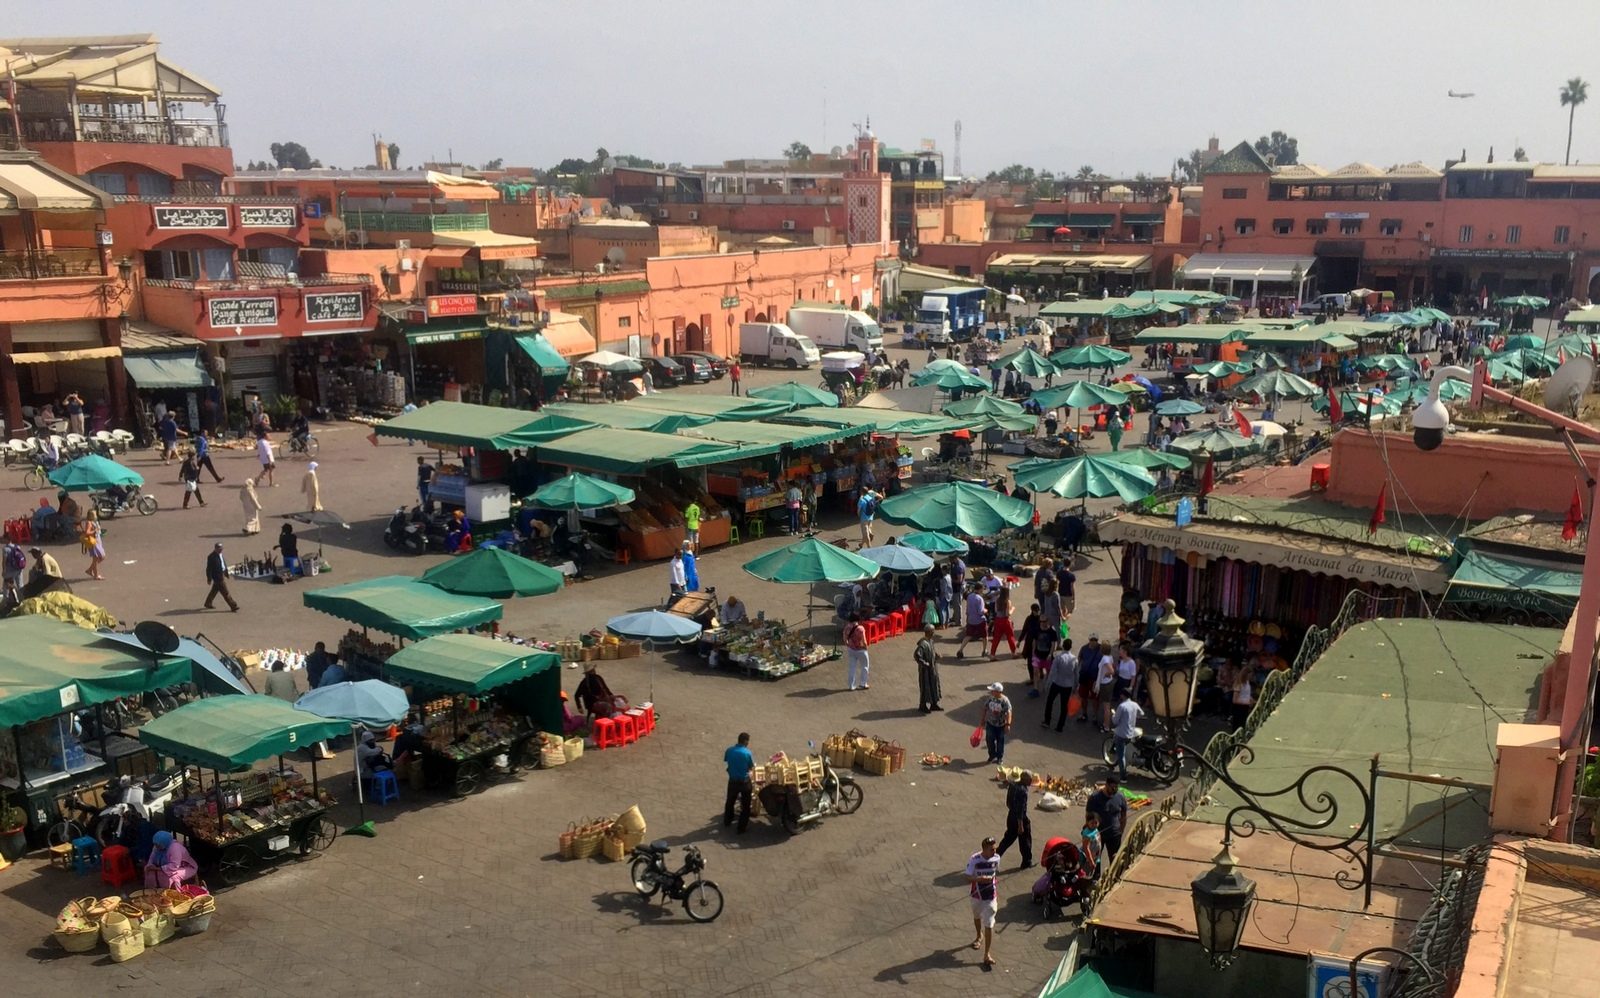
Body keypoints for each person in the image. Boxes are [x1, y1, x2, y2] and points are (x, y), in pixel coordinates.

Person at [965, 836, 1001, 969]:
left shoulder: (997, 858)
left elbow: (995, 873)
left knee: (989, 923)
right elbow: (967, 877)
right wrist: (980, 879)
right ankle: (978, 935)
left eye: (995, 848)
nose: (994, 851)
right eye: (992, 849)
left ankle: (987, 954)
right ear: (984, 850)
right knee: (976, 916)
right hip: (976, 895)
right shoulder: (974, 859)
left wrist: (991, 880)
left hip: (991, 896)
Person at [996, 771, 1034, 869]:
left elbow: (1008, 802)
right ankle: (1027, 861)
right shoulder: (1023, 791)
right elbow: (1021, 809)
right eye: (1030, 779)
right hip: (1020, 819)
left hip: (1011, 815)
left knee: (1008, 838)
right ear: (1025, 780)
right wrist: (1020, 825)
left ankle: (996, 855)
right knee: (1025, 840)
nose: (1031, 781)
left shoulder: (1013, 785)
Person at [1085, 777, 1128, 859]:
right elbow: (1088, 816)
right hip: (1097, 835)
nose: (1115, 790)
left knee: (1115, 860)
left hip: (1114, 835)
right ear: (1106, 785)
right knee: (1095, 859)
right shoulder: (1095, 798)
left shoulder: (1120, 796)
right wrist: (1089, 833)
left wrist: (1121, 831)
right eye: (1112, 787)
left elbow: (1124, 814)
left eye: (1116, 787)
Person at [1041, 639, 1077, 731]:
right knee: (1064, 706)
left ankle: (1047, 721)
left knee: (1050, 701)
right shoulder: (1074, 659)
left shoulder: (1058, 657)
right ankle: (1060, 726)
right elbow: (1076, 674)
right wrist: (1075, 686)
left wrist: (1047, 683)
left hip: (1057, 683)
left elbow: (1052, 672)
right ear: (1070, 647)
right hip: (1068, 685)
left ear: (1063, 646)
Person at [722, 732, 754, 833]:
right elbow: (750, 766)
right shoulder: (747, 753)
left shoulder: (729, 750)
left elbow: (727, 760)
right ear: (745, 741)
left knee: (730, 801)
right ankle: (741, 828)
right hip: (744, 782)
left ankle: (727, 820)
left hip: (732, 781)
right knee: (746, 805)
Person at [1110, 689, 1144, 782]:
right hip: (1131, 733)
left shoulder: (1122, 706)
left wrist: (1113, 715)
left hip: (1121, 734)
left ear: (1122, 695)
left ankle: (1123, 777)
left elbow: (1115, 721)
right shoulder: (1135, 704)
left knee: (1121, 756)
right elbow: (1142, 713)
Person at [981, 682, 1013, 764]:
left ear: (998, 692)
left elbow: (1009, 712)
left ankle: (999, 757)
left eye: (993, 690)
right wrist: (983, 719)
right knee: (989, 740)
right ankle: (992, 755)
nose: (991, 692)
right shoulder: (991, 699)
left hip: (1001, 725)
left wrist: (1008, 724)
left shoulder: (1005, 701)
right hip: (990, 724)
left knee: (1000, 742)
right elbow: (985, 708)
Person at [914, 623, 942, 712]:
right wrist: (924, 663)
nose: (934, 633)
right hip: (925, 671)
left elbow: (932, 650)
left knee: (934, 685)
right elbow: (917, 655)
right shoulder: (923, 644)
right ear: (928, 632)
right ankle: (922, 706)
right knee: (925, 687)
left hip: (932, 668)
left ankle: (934, 704)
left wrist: (936, 655)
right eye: (932, 631)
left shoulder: (931, 641)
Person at [204, 542, 238, 611]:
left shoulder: (220, 554)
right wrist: (209, 579)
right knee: (225, 592)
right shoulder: (211, 557)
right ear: (215, 548)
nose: (221, 550)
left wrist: (226, 572)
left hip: (221, 574)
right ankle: (233, 605)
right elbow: (209, 569)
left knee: (214, 590)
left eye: (221, 548)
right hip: (217, 577)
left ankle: (208, 603)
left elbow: (222, 563)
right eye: (219, 549)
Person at [955, 585, 987, 659]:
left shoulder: (969, 596)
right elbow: (981, 612)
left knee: (968, 635)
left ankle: (960, 650)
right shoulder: (980, 599)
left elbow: (968, 608)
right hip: (980, 620)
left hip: (971, 620)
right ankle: (984, 650)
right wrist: (986, 610)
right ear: (980, 589)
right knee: (984, 636)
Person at [988, 582, 1017, 659]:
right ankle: (1013, 653)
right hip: (1005, 621)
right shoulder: (1007, 601)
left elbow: (996, 610)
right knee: (1010, 637)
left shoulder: (997, 600)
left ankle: (992, 654)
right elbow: (1008, 614)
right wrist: (1012, 609)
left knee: (996, 638)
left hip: (998, 620)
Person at [844, 613, 870, 690]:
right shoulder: (860, 628)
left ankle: (851, 686)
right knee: (865, 666)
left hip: (851, 649)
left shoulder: (847, 627)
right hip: (861, 650)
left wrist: (848, 645)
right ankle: (863, 683)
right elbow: (864, 641)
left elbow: (845, 639)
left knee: (852, 667)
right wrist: (866, 648)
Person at [81, 507, 105, 580]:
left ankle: (90, 570)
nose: (96, 515)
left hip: (97, 541)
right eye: (94, 514)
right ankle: (96, 575)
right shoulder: (89, 522)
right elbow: (87, 532)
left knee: (102, 556)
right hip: (93, 542)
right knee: (96, 558)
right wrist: (94, 531)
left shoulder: (95, 521)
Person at [1079, 812, 1104, 878]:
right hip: (1088, 860)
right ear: (1088, 822)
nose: (1094, 825)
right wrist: (1091, 861)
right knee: (1085, 875)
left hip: (1095, 857)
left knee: (1091, 873)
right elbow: (1086, 848)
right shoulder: (1087, 834)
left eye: (1096, 823)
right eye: (1092, 823)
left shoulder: (1095, 830)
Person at [2, 539, 24, 603]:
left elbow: (4, 561)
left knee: (6, 585)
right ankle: (22, 599)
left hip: (10, 570)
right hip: (19, 569)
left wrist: (4, 570)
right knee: (20, 585)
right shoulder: (17, 547)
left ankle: (5, 601)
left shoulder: (5, 549)